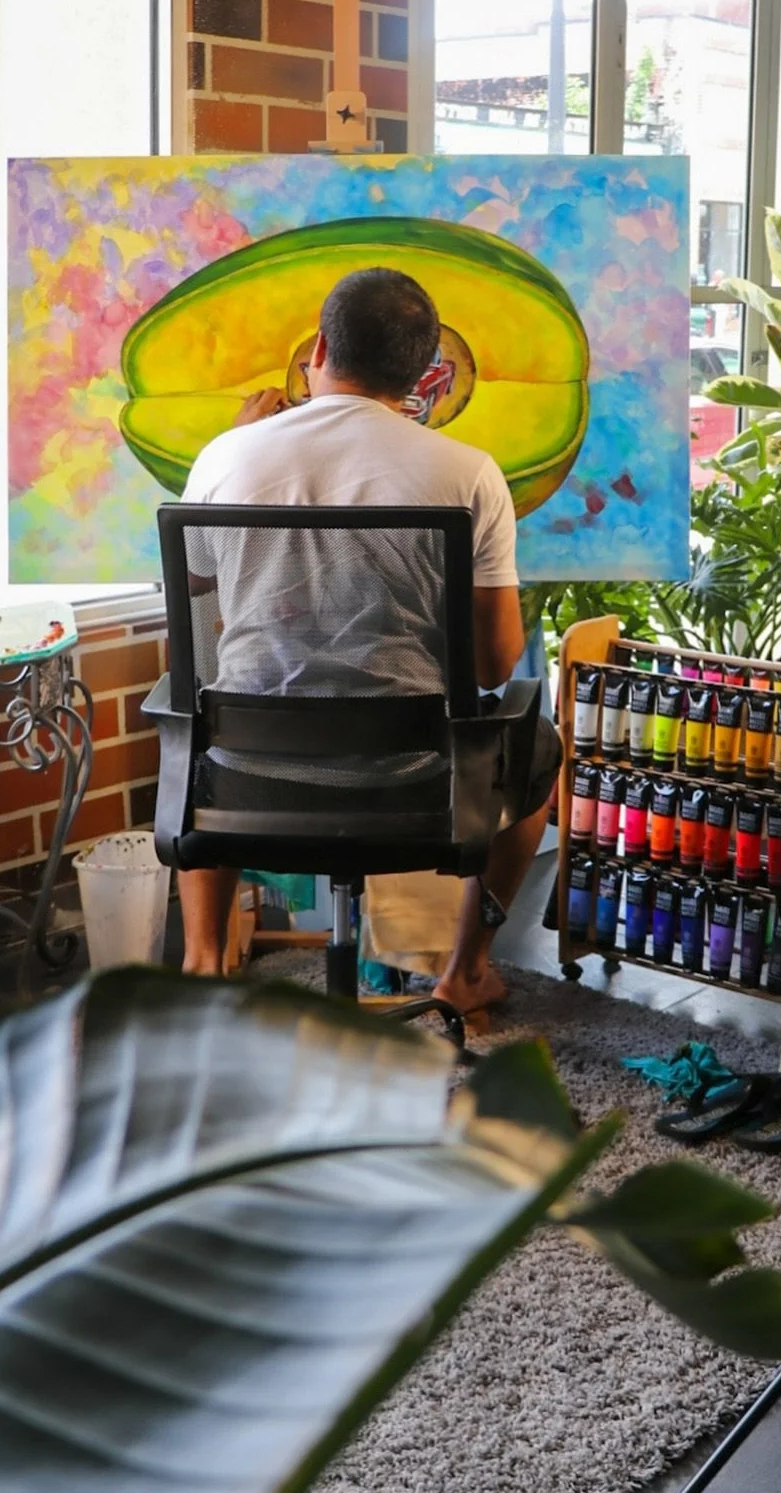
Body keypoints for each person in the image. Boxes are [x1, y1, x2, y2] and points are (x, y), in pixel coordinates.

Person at [177, 266, 562, 1017]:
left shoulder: (226, 457)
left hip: (247, 776)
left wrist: (241, 443)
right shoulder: (469, 474)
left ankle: (200, 969)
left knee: (192, 728)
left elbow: (195, 584)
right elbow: (493, 665)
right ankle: (463, 971)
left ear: (317, 348)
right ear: (424, 376)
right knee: (542, 750)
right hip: (416, 784)